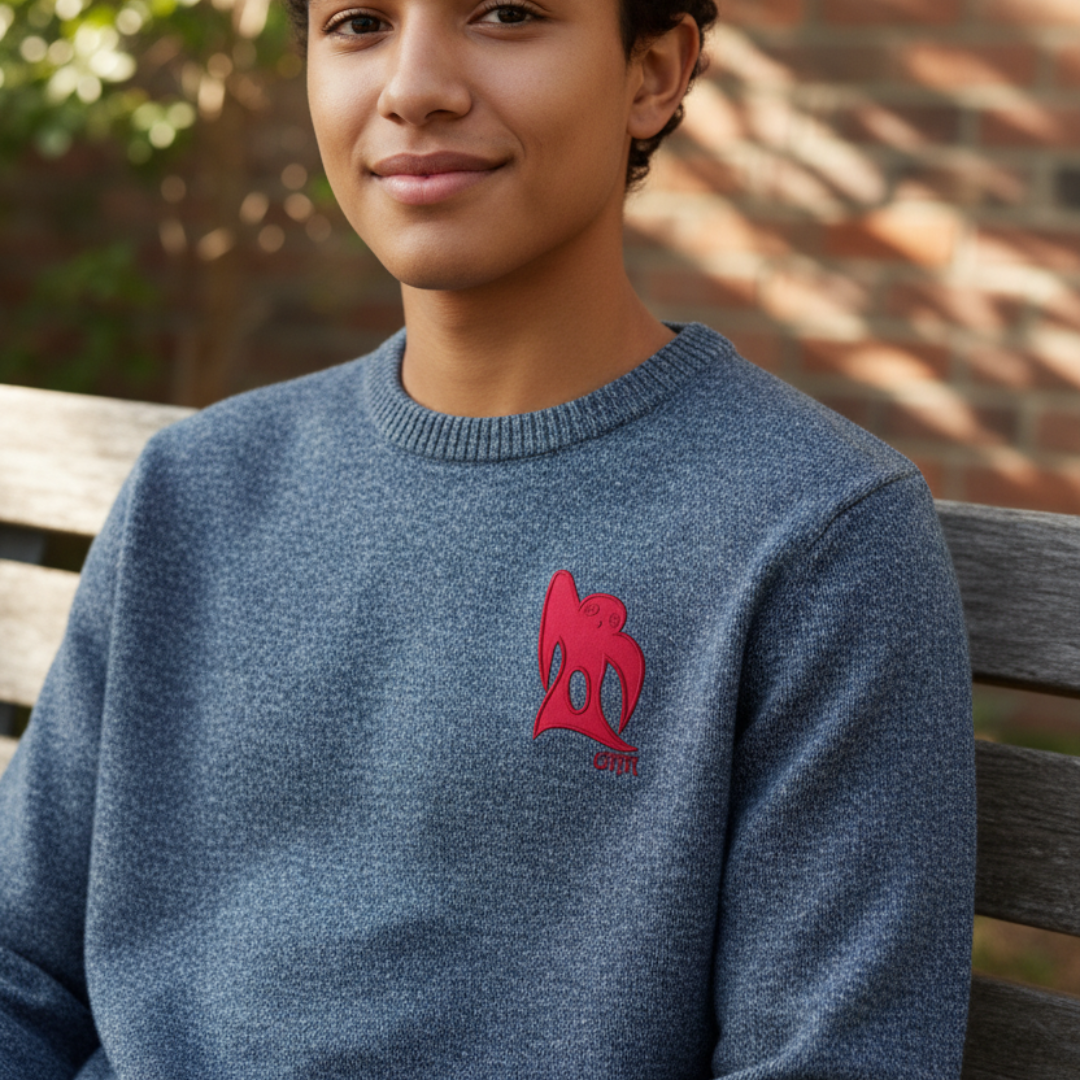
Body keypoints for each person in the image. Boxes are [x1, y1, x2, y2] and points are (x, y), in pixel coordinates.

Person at [0, 1, 976, 1077]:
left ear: (652, 72)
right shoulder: (199, 489)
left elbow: (839, 1058)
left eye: (507, 14)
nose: (413, 86)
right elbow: (20, 961)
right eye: (360, 22)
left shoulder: (817, 535)